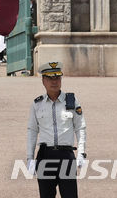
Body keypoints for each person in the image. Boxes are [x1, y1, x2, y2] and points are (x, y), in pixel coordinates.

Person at [27, 61, 86, 198]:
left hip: (66, 155)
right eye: (50, 78)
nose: (54, 82)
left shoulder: (71, 101)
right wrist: (29, 157)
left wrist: (82, 153)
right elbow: (32, 131)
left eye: (57, 78)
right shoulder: (37, 104)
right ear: (43, 80)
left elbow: (80, 127)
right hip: (45, 156)